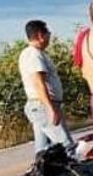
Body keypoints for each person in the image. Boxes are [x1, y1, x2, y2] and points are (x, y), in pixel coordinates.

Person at [18, 20, 74, 154]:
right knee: (66, 146)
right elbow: (38, 83)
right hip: (43, 106)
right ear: (40, 35)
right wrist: (50, 108)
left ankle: (41, 173)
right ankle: (78, 173)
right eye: (48, 33)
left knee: (44, 150)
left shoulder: (35, 53)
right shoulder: (34, 54)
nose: (49, 36)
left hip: (40, 105)